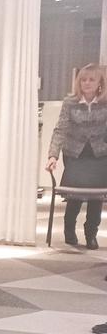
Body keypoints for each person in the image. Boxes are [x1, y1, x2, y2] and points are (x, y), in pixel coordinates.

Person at [45, 64, 107, 249]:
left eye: (91, 79)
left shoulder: (106, 102)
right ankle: (69, 229)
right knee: (75, 195)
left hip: (99, 154)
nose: (87, 83)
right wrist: (53, 155)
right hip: (75, 154)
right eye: (83, 79)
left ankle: (91, 234)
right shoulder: (70, 102)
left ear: (99, 82)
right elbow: (60, 129)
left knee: (97, 197)